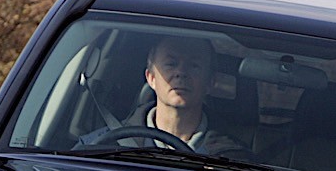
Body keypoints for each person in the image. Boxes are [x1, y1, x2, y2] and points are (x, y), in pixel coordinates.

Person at [82, 35, 251, 157]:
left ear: (210, 82)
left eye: (194, 65)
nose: (181, 73)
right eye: (171, 64)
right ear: (151, 78)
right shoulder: (102, 147)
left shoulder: (235, 159)